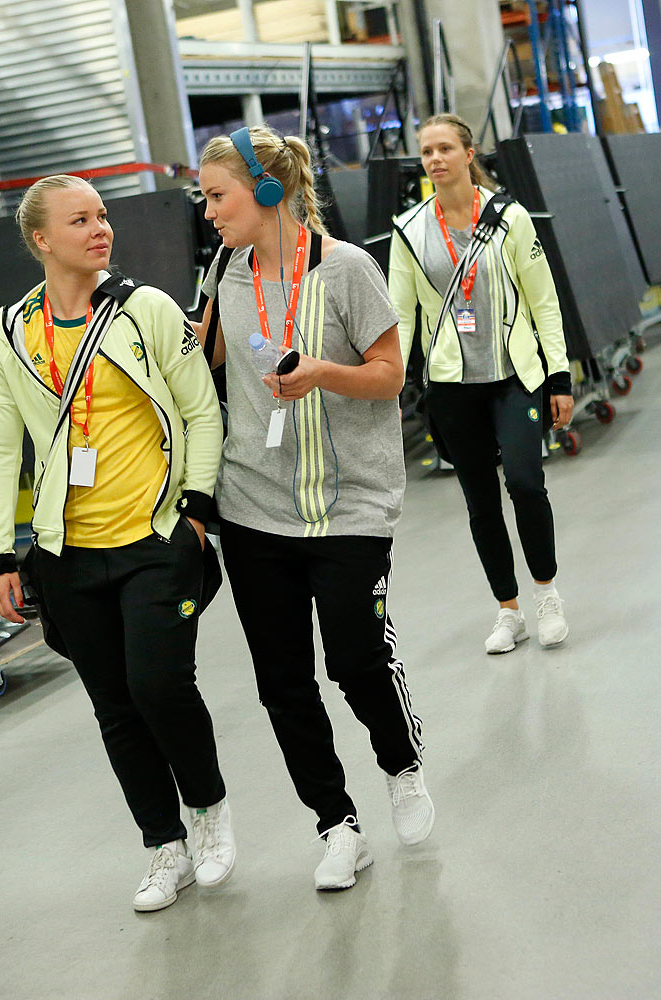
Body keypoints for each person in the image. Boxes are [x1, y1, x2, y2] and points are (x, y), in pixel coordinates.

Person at [0, 174, 233, 913]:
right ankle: (163, 845)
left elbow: (201, 410)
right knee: (114, 706)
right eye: (80, 219)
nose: (101, 229)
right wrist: (0, 553)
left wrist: (196, 507)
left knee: (159, 684)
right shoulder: (7, 334)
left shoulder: (145, 311)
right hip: (67, 554)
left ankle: (210, 813)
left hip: (155, 537)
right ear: (41, 240)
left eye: (103, 215)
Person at [195, 125, 434, 892]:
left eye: (217, 196)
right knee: (282, 681)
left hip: (349, 507)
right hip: (253, 510)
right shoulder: (225, 273)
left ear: (266, 192)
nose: (209, 213)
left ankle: (401, 764)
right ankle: (337, 824)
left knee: (356, 659)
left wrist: (325, 372)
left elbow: (391, 374)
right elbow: (203, 364)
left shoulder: (349, 270)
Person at [385, 113, 572, 658]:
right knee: (480, 501)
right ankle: (508, 610)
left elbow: (543, 300)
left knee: (525, 482)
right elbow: (401, 316)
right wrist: (393, 384)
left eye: (445, 148)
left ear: (469, 155)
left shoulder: (509, 218)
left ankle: (546, 594)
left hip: (514, 378)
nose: (435, 159)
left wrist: (558, 376)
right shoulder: (409, 230)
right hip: (451, 386)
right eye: (426, 151)